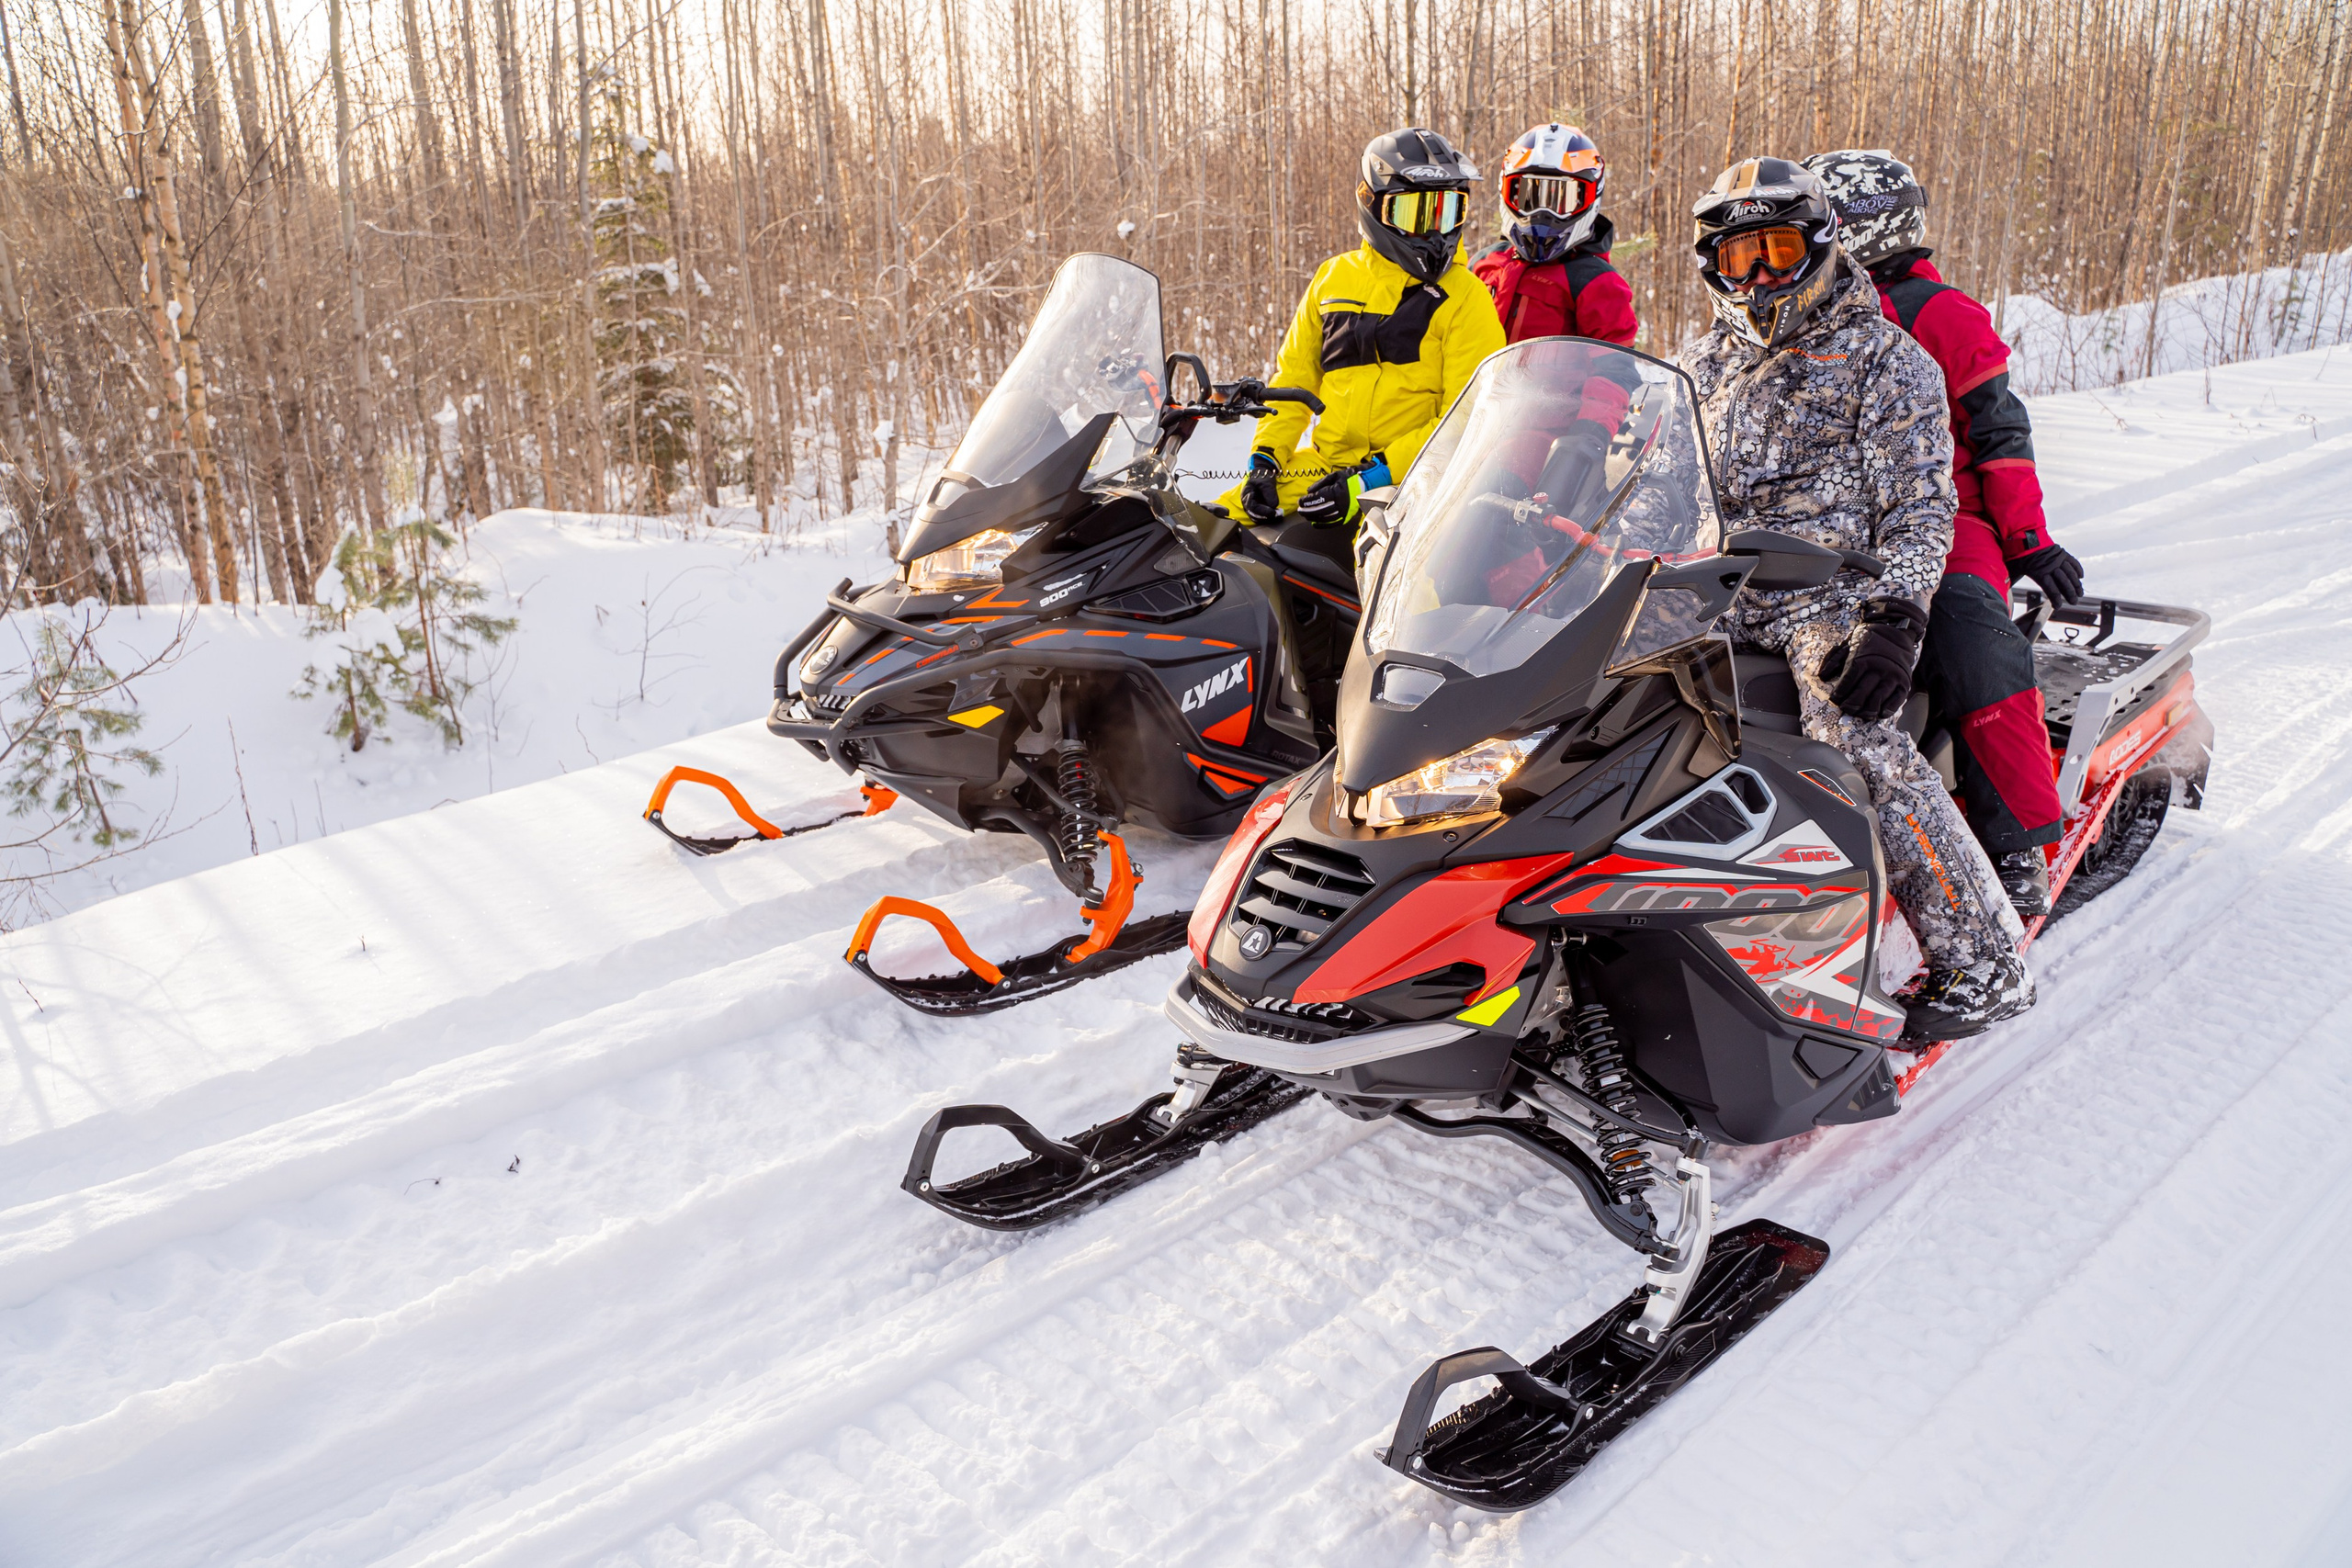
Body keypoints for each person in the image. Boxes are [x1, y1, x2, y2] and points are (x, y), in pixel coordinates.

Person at [1680, 156, 2031, 1039]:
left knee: (1850, 729)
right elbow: (1653, 478)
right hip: (1711, 587)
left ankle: (1983, 959)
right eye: (1738, 257)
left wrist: (1896, 619)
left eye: (1777, 251)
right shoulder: (1699, 364)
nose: (1758, 276)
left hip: (1826, 591)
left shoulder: (1884, 357)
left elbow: (1922, 502)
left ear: (1822, 247)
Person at [1803, 149, 2082, 918]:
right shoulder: (1802, 316)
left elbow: (1999, 434)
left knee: (1968, 638)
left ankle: (2016, 841)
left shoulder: (1940, 312)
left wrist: (2028, 538)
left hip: (1945, 518)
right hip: (1825, 523)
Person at [1223, 129, 1507, 536]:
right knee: (1209, 532)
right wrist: (1264, 461)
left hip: (1415, 481)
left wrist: (1371, 479)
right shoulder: (1334, 279)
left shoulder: (1465, 297)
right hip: (1324, 468)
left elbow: (1468, 415)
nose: (1433, 232)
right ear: (1372, 205)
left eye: (1447, 213)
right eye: (1414, 214)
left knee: (1410, 597)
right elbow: (1294, 379)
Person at [1472, 124, 1642, 348]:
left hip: (1552, 384)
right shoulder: (1485, 262)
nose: (1541, 214)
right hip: (1480, 383)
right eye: (1528, 197)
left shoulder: (1598, 283)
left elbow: (1615, 371)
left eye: (1562, 200)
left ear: (1589, 198)